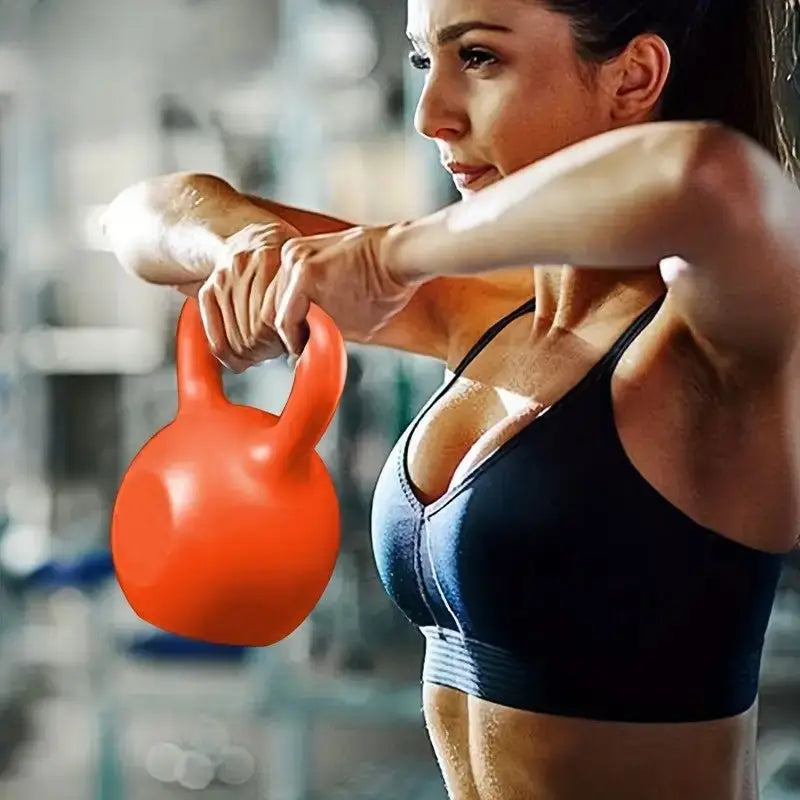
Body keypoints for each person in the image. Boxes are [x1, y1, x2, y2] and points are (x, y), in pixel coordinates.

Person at [103, 1, 800, 798]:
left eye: (477, 58)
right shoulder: (481, 307)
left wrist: (392, 255)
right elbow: (146, 216)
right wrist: (254, 251)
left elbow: (712, 176)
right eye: (420, 62)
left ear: (634, 76)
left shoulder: (723, 343)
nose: (432, 115)